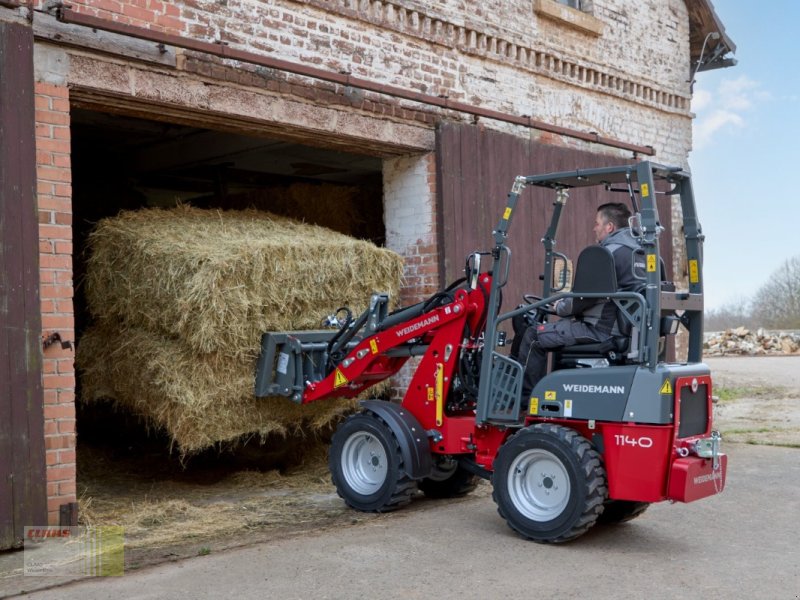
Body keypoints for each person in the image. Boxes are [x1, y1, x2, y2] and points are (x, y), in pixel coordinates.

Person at [512, 202, 643, 400]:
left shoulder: (606, 254)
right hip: (632, 334)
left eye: (597, 223)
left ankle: (525, 402)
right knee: (558, 331)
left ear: (610, 227)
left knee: (532, 336)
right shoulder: (643, 255)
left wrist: (561, 306)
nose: (594, 228)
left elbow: (582, 299)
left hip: (600, 330)